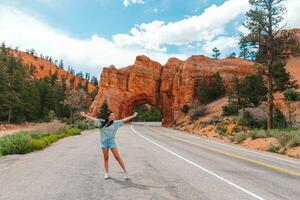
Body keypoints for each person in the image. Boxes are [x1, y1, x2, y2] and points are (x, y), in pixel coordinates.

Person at [80, 110, 138, 180]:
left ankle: (125, 172)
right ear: (109, 117)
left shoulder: (116, 123)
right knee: (106, 158)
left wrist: (133, 116)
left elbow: (124, 119)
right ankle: (107, 173)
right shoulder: (102, 122)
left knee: (117, 157)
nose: (114, 116)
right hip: (104, 142)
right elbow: (93, 119)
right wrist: (85, 115)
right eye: (112, 115)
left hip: (111, 141)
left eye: (114, 115)